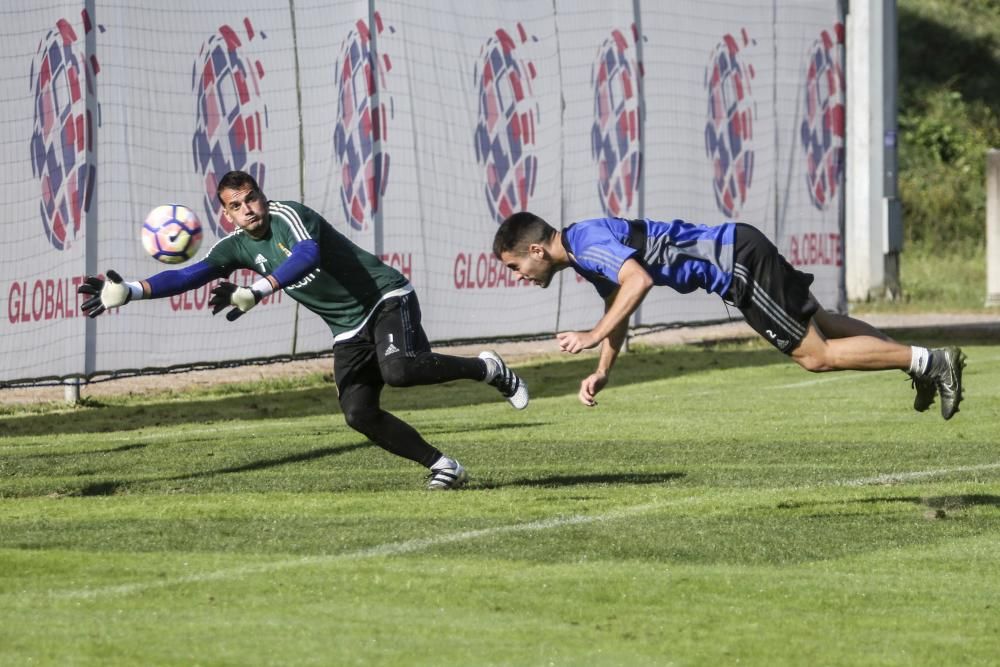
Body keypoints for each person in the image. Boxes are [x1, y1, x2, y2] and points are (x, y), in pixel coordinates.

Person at [78, 170, 529, 490]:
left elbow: (306, 257)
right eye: (236, 205)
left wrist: (257, 289)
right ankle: (443, 465)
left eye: (251, 197)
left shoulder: (289, 216)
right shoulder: (234, 245)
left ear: (262, 195)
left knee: (400, 371)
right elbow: (190, 275)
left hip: (384, 297)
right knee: (358, 414)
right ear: (227, 215)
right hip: (347, 327)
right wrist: (132, 291)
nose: (248, 208)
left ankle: (486, 369)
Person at [492, 212, 965, 419]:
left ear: (536, 249)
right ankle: (921, 364)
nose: (519, 276)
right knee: (823, 321)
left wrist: (592, 336)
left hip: (737, 262)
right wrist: (602, 370)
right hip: (738, 252)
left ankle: (930, 362)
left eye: (516, 267)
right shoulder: (582, 250)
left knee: (815, 356)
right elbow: (618, 307)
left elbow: (638, 282)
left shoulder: (587, 242)